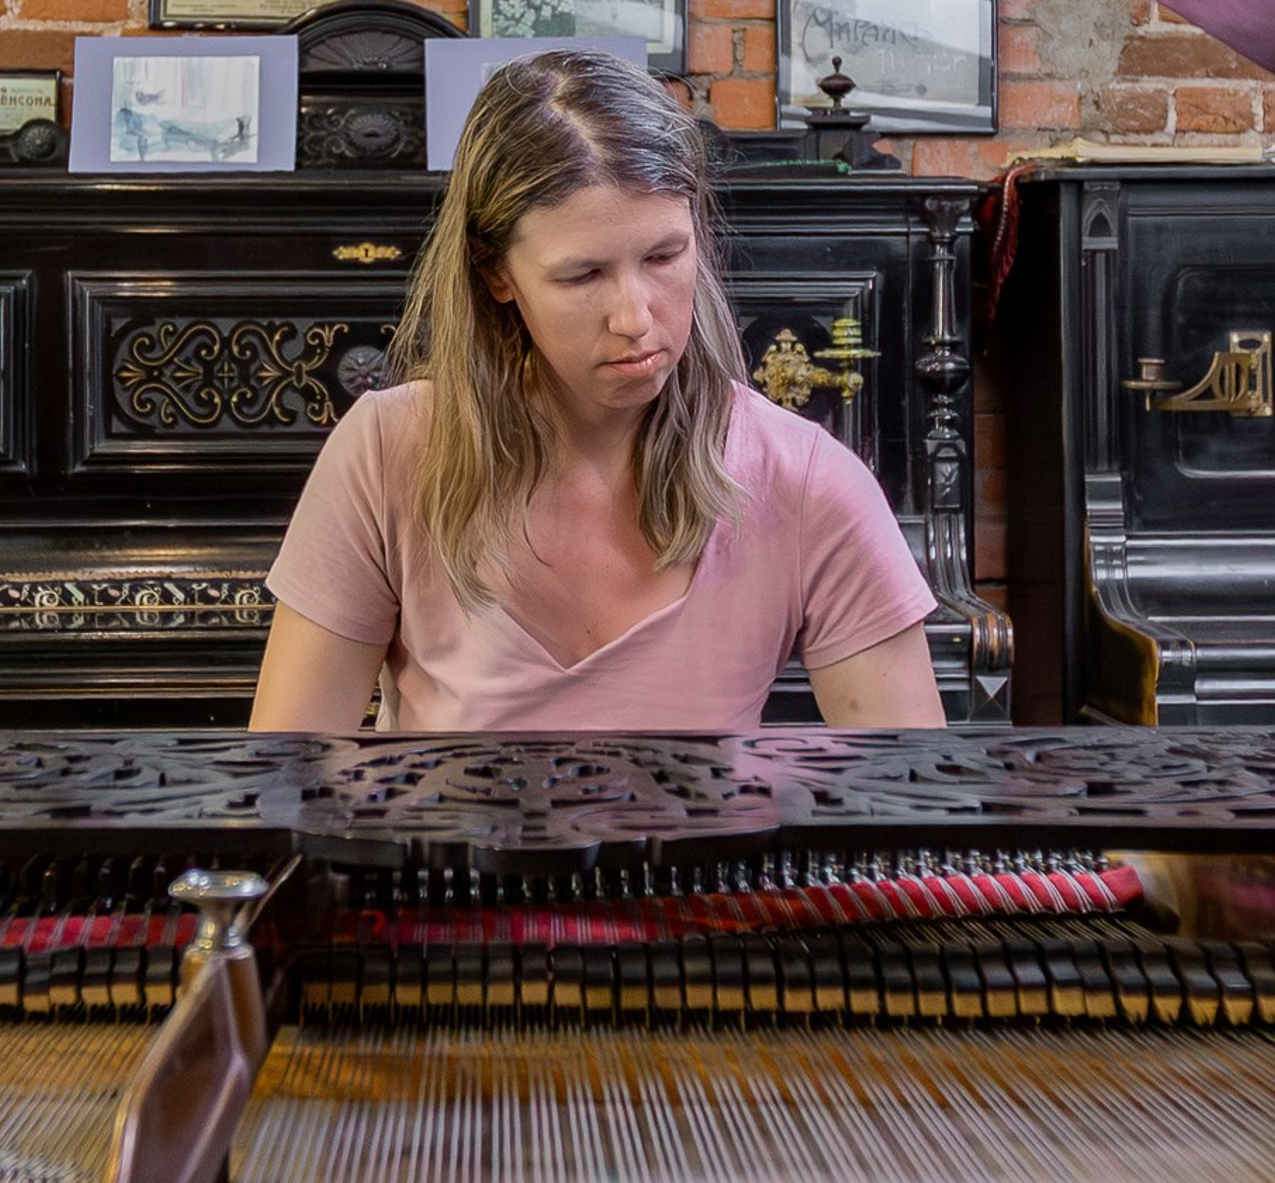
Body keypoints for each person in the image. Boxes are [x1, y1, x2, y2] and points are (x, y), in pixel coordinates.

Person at [251, 49, 944, 732]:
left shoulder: (807, 481)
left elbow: (910, 804)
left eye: (664, 256)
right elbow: (290, 780)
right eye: (583, 276)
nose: (635, 319)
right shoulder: (384, 451)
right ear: (497, 276)